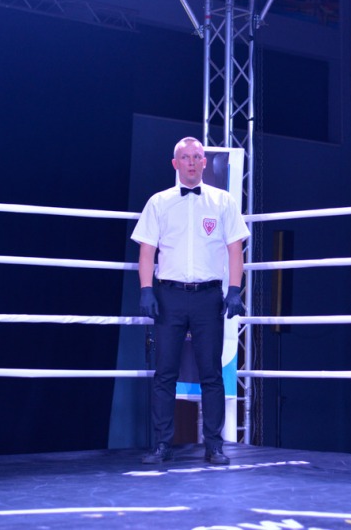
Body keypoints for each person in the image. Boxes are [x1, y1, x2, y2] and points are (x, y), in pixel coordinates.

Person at [132, 136, 250, 465]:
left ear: (204, 162)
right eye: (186, 157)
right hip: (168, 295)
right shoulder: (158, 202)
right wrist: (146, 289)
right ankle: (162, 445)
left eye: (198, 156)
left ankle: (214, 445)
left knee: (211, 373)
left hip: (208, 296)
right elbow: (147, 250)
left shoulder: (223, 201)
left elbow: (235, 249)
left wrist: (235, 289)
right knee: (165, 372)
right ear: (176, 163)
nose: (193, 162)